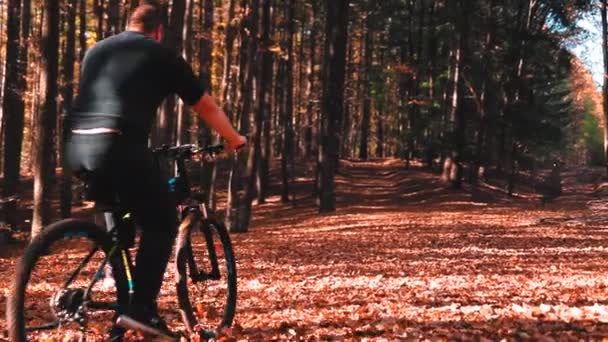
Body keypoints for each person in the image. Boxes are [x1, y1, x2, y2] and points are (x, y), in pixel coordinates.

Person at [65, 2, 246, 340]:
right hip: (118, 144)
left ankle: (121, 308)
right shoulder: (163, 55)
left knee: (120, 230)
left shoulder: (96, 50)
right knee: (162, 221)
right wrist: (233, 139)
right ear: (159, 30)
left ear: (129, 23)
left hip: (77, 147)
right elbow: (205, 105)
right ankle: (141, 310)